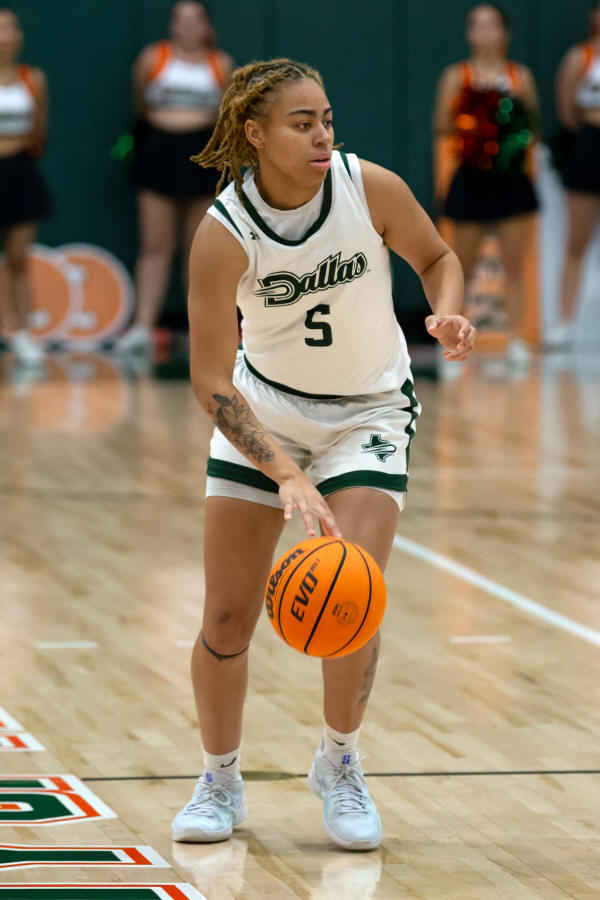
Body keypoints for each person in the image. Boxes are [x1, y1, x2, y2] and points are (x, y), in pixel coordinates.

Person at [171, 57, 475, 850]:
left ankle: (339, 762)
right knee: (227, 615)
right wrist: (284, 472)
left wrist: (445, 312)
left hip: (368, 411)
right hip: (264, 412)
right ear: (255, 132)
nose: (321, 136)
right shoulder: (224, 232)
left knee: (353, 592)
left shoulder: (366, 187)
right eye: (302, 123)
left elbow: (439, 258)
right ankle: (219, 778)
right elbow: (210, 381)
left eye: (327, 120)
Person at [116, 1, 234, 353]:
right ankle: (142, 326)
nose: (187, 26)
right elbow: (141, 103)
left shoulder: (221, 64)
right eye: (180, 20)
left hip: (204, 155)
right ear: (172, 26)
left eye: (194, 20)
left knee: (198, 248)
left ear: (207, 27)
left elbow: (227, 112)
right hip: (158, 152)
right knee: (156, 245)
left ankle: (201, 330)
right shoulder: (153, 58)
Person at [433, 3, 539, 368]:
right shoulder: (456, 75)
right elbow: (442, 124)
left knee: (514, 264)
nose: (485, 32)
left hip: (511, 179)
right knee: (460, 266)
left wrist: (506, 129)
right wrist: (476, 125)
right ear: (469, 33)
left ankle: (517, 342)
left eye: (492, 25)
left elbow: (532, 123)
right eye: (477, 25)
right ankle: (451, 342)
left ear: (505, 32)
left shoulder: (520, 75)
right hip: (471, 177)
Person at [0, 7, 50, 365]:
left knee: (19, 256)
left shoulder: (33, 79)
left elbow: (38, 131)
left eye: (10, 28)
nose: (5, 35)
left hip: (20, 173)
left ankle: (24, 332)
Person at [551, 1, 600, 348]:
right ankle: (565, 322)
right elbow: (567, 109)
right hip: (589, 145)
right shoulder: (580, 56)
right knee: (577, 239)